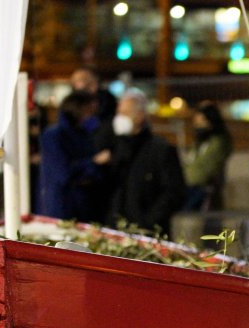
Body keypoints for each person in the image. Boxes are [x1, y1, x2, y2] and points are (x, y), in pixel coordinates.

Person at [102, 88, 186, 233]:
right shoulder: (115, 148)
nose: (119, 118)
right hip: (115, 231)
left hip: (148, 234)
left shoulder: (161, 150)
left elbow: (174, 192)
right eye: (118, 113)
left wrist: (147, 223)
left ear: (140, 116)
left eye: (125, 114)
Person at [39, 90, 103, 222]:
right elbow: (62, 173)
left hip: (83, 209)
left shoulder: (85, 135)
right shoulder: (54, 136)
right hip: (61, 209)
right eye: (90, 111)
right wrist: (93, 162)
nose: (93, 116)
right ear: (78, 110)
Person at [182, 101, 232, 211]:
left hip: (202, 191)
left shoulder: (218, 143)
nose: (198, 127)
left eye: (202, 122)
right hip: (191, 188)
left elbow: (203, 170)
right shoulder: (199, 143)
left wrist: (183, 180)